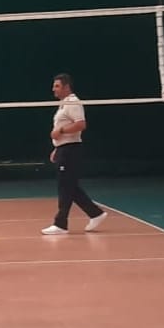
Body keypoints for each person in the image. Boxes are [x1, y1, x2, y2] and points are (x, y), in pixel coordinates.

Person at [42, 73, 107, 235]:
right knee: (69, 186)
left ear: (66, 87)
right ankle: (95, 213)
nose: (53, 89)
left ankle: (60, 224)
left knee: (65, 187)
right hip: (64, 149)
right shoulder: (64, 104)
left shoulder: (73, 102)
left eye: (57, 86)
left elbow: (81, 124)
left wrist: (60, 131)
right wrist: (57, 148)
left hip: (71, 151)